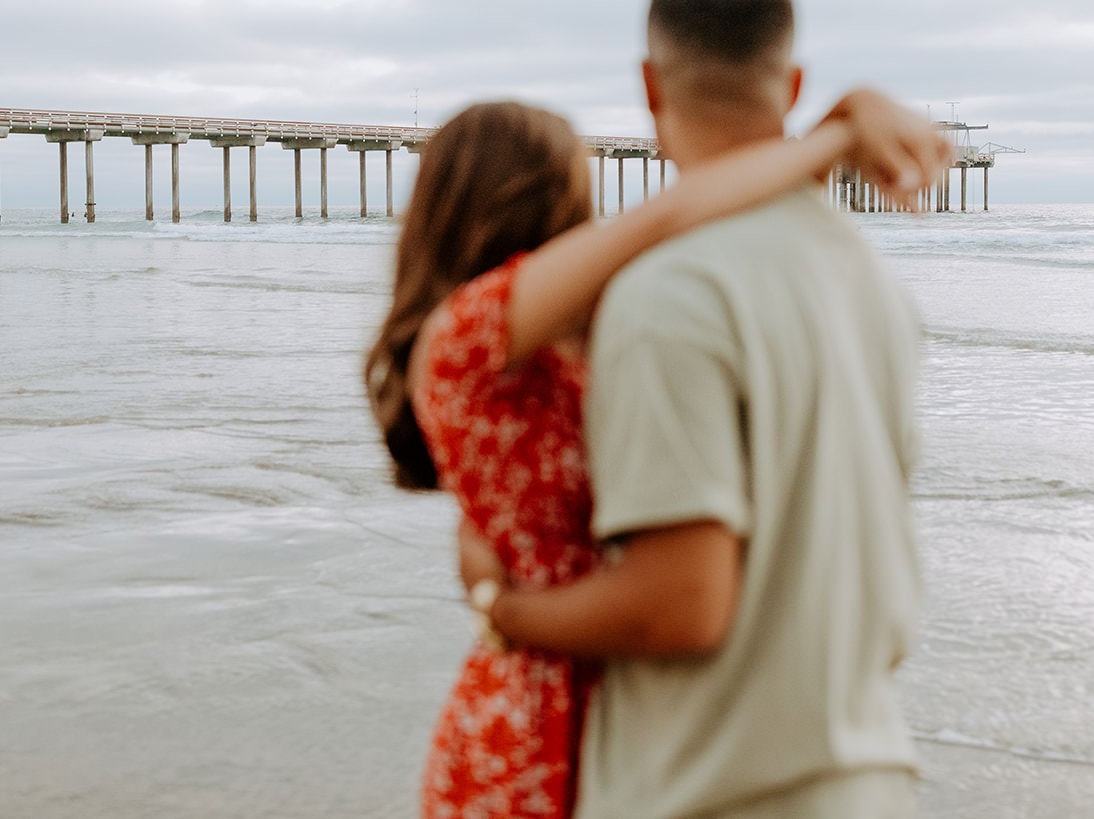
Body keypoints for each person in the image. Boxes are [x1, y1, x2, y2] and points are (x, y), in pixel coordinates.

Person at [365, 85, 944, 812]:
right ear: (549, 196)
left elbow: (729, 227)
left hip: (598, 700)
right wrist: (835, 133)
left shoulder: (561, 336)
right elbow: (674, 212)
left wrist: (835, 133)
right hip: (540, 713)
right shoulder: (465, 338)